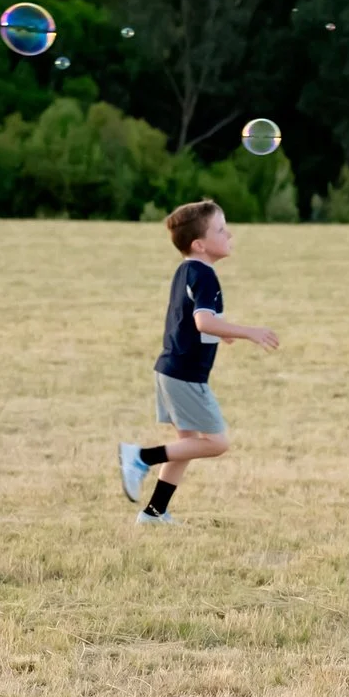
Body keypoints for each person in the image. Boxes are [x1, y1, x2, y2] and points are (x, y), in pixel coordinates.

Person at [120, 199, 279, 524]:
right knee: (216, 443)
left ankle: (154, 512)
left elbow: (191, 320)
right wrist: (248, 331)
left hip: (170, 369)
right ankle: (140, 456)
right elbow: (203, 322)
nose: (229, 233)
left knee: (188, 444)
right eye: (221, 229)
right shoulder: (206, 276)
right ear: (200, 244)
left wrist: (223, 333)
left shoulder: (187, 270)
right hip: (185, 375)